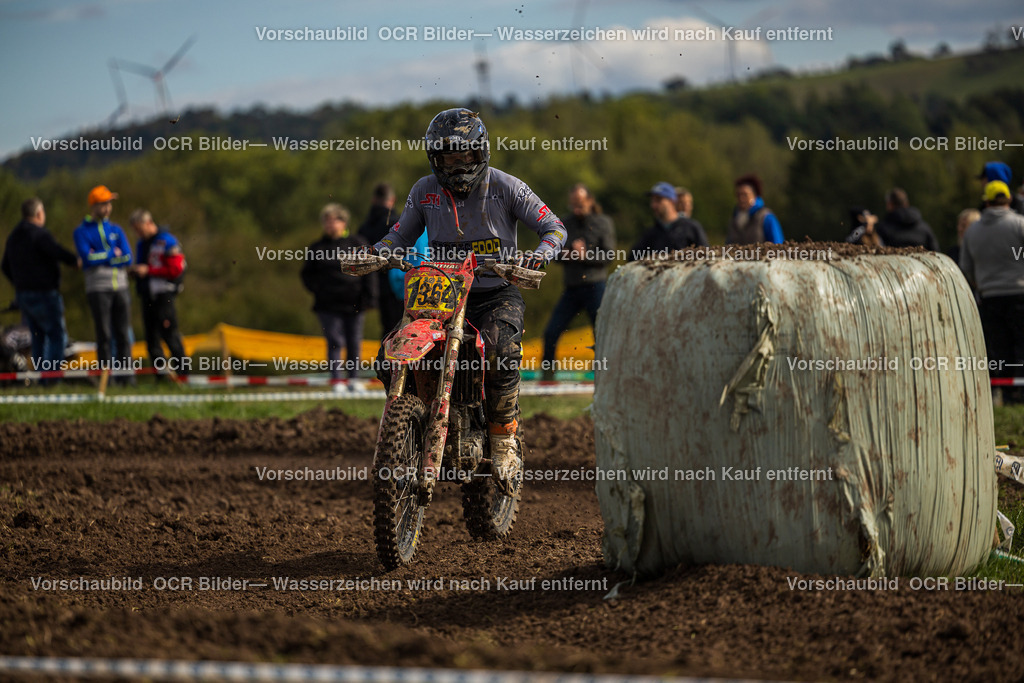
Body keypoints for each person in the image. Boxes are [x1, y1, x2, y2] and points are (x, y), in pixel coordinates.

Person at [372, 108, 567, 488]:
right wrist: (378, 251)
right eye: (448, 158)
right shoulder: (423, 191)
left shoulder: (507, 187)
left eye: (464, 156)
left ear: (481, 153)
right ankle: (416, 423)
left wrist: (538, 254)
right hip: (440, 295)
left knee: (500, 349)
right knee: (387, 356)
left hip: (495, 291)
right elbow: (398, 235)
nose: (457, 165)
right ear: (435, 159)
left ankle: (503, 435)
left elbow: (554, 227)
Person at [542, 184, 615, 381]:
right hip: (572, 288)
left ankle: (603, 376)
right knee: (551, 332)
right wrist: (570, 254)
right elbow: (555, 254)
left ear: (590, 202)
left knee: (601, 332)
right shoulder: (564, 223)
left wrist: (584, 255)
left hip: (595, 286)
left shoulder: (603, 223)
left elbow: (609, 255)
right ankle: (547, 377)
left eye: (580, 205)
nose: (576, 209)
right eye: (573, 205)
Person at [960, 181, 1024, 404]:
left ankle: (1008, 396)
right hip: (1020, 294)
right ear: (1008, 199)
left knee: (1000, 348)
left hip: (989, 298)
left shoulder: (972, 232)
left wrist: (983, 285)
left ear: (986, 201)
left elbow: (966, 267)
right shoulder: (1019, 224)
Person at [301, 203, 377, 386]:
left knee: (354, 342)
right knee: (334, 341)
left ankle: (353, 380)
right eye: (326, 221)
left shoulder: (358, 244)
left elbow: (370, 271)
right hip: (327, 305)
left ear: (343, 222)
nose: (329, 225)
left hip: (355, 302)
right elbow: (306, 275)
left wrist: (370, 298)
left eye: (333, 221)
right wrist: (319, 289)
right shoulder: (317, 247)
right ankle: (336, 380)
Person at [1, 198, 78, 373]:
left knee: (37, 337)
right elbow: (56, 251)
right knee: (56, 335)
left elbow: (4, 265)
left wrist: (18, 283)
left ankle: (40, 374)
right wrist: (74, 261)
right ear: (38, 214)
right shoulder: (40, 234)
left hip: (23, 295)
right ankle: (50, 376)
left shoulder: (14, 236)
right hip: (44, 293)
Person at [73, 185, 134, 372]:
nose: (107, 207)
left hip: (121, 286)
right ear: (94, 206)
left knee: (124, 334)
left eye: (109, 203)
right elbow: (87, 258)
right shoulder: (82, 231)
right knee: (104, 335)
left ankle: (127, 379)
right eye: (103, 203)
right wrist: (110, 254)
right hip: (98, 288)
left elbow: (127, 256)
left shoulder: (116, 229)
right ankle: (107, 379)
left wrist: (101, 256)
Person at [128, 209, 187, 378]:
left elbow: (176, 269)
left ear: (148, 223)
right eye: (135, 231)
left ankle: (184, 375)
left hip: (164, 294)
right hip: (147, 294)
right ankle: (161, 378)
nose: (138, 233)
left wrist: (149, 271)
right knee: (151, 339)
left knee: (170, 335)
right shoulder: (141, 243)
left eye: (139, 229)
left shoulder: (167, 241)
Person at [358, 182, 403, 336]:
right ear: (392, 200)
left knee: (386, 329)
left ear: (373, 200)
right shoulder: (399, 224)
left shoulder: (364, 227)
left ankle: (385, 359)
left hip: (374, 282)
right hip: (399, 280)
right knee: (402, 329)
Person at [629, 182, 708, 261]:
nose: (653, 205)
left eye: (658, 200)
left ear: (672, 201)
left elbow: (705, 257)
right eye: (652, 201)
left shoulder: (691, 228)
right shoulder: (651, 233)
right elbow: (633, 258)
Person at [727, 174, 784, 245]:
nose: (741, 198)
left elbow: (778, 244)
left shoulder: (766, 217)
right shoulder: (734, 219)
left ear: (754, 195)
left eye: (745, 195)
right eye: (738, 195)